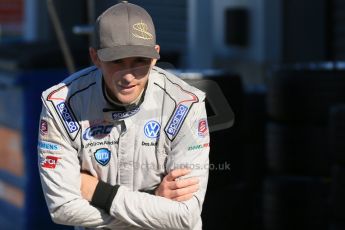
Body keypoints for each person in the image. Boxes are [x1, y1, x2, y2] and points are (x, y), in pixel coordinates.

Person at [38, 1, 210, 229]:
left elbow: (185, 216)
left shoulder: (185, 104)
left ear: (156, 55)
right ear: (95, 57)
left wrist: (98, 192)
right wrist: (156, 201)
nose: (128, 76)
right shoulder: (61, 105)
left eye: (140, 60)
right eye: (117, 61)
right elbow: (62, 208)